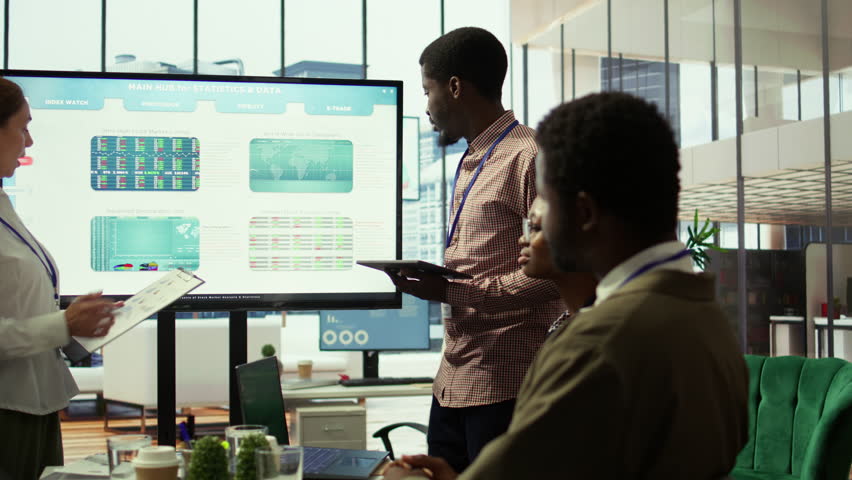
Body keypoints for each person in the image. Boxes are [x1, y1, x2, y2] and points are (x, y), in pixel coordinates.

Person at [384, 92, 749, 479]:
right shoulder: (708, 318)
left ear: (584, 213)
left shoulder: (599, 342)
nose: (531, 224)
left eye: (543, 209)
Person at [387, 27, 564, 472]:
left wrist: (451, 293)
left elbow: (556, 271)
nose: (426, 105)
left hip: (507, 382)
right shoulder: (471, 159)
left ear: (455, 87)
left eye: (427, 90)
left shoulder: (530, 156)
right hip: (453, 378)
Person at [0, 77, 122, 480]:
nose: (29, 142)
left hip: (34, 403)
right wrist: (63, 323)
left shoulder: (4, 205)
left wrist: (74, 321)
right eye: (23, 127)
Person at [517, 196, 597, 334]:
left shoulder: (597, 331)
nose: (522, 239)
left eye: (535, 228)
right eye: (527, 227)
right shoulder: (566, 324)